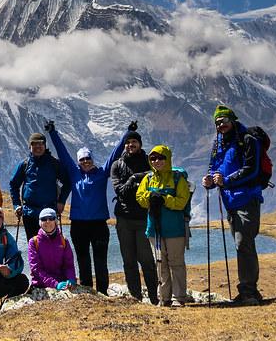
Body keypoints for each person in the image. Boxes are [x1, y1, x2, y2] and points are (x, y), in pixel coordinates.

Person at [45, 120, 119, 294]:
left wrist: (127, 135)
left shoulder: (102, 173)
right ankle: (87, 290)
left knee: (101, 261)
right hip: (78, 225)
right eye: (82, 159)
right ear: (78, 162)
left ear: (92, 160)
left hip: (99, 224)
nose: (85, 161)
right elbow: (62, 153)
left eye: (88, 158)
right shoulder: (74, 172)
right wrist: (52, 132)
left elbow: (115, 154)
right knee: (83, 259)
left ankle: (102, 291)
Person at [202, 105, 265, 306]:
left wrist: (226, 181)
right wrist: (210, 180)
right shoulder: (218, 143)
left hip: (247, 198)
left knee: (243, 243)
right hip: (230, 201)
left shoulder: (247, 140)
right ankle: (249, 291)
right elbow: (214, 168)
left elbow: (252, 170)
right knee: (243, 244)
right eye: (217, 122)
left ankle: (248, 292)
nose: (221, 125)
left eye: (224, 120)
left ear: (232, 120)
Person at [109, 121, 159, 304]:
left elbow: (154, 183)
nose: (131, 145)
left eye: (134, 142)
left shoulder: (150, 162)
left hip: (144, 218)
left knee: (146, 260)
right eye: (128, 142)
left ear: (140, 144)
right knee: (129, 261)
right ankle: (135, 297)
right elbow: (120, 191)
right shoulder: (117, 165)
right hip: (124, 219)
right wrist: (135, 181)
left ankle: (154, 297)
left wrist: (133, 178)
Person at [136, 145, 192, 306]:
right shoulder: (148, 179)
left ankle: (179, 297)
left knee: (176, 262)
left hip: (174, 228)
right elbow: (140, 197)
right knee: (160, 263)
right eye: (153, 158)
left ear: (167, 159)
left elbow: (182, 201)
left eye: (160, 158)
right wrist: (151, 197)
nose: (156, 161)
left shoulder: (177, 178)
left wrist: (164, 199)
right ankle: (164, 298)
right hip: (154, 228)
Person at [9, 132, 72, 241]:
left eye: (41, 144)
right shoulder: (25, 164)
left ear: (45, 146)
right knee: (33, 246)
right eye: (35, 144)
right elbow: (13, 184)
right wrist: (17, 205)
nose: (38, 147)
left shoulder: (54, 163)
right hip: (29, 214)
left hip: (49, 213)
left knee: (51, 246)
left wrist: (61, 202)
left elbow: (68, 182)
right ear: (30, 147)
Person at [27, 208, 77, 291]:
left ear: (55, 221)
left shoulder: (64, 241)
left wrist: (71, 278)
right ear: (40, 223)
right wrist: (55, 284)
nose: (48, 221)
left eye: (51, 218)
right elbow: (36, 270)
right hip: (41, 285)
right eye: (44, 219)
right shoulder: (33, 242)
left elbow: (69, 265)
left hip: (63, 284)